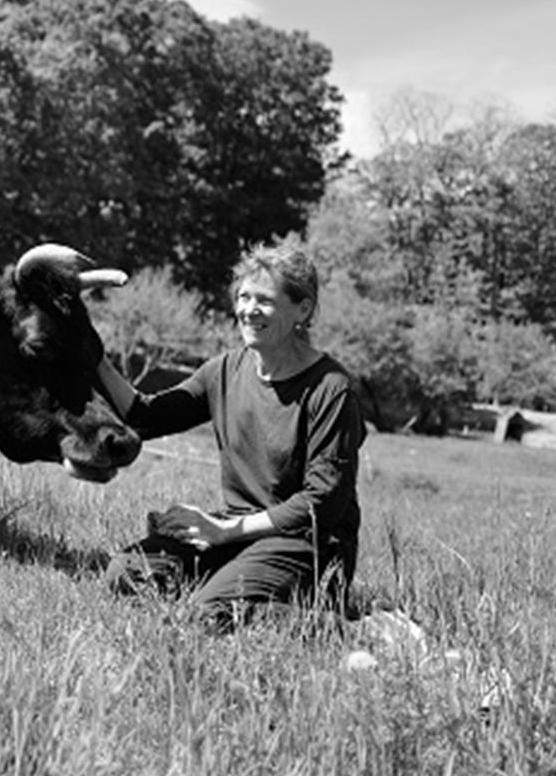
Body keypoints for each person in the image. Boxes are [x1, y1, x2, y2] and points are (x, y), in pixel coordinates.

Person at [97, 241, 364, 631]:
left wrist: (225, 531)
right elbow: (146, 416)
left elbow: (321, 503)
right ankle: (234, 591)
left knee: (206, 616)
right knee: (126, 572)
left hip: (309, 544)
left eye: (265, 301)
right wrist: (94, 358)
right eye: (243, 297)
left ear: (302, 310)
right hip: (238, 533)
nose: (248, 310)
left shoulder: (331, 389)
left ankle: (359, 629)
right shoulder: (223, 371)